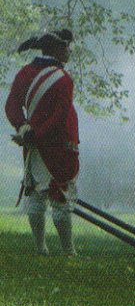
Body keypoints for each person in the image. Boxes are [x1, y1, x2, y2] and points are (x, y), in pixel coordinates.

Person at [5, 29, 79, 256]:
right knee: (60, 195)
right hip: (59, 145)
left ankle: (41, 248)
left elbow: (11, 107)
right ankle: (69, 251)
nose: (68, 52)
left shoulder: (25, 72)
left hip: (32, 145)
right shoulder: (63, 79)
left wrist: (24, 129)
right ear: (58, 49)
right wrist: (34, 134)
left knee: (36, 195)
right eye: (66, 47)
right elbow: (59, 116)